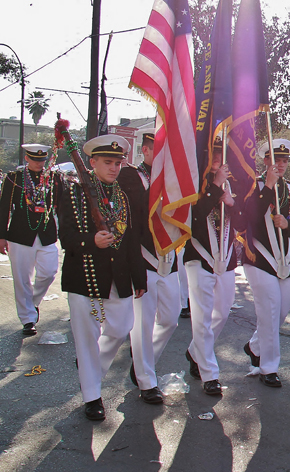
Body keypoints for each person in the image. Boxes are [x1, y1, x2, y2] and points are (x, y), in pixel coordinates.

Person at [58, 135, 147, 421]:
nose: (114, 168)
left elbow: (132, 239)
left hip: (119, 276)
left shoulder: (122, 195)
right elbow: (66, 237)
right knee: (86, 338)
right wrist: (90, 240)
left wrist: (139, 277)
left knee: (121, 328)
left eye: (118, 162)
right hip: (84, 276)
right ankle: (92, 396)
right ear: (92, 162)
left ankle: (90, 368)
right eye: (108, 162)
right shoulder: (74, 193)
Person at [242, 139, 290, 387]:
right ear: (266, 161)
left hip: (286, 259)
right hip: (259, 258)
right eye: (275, 160)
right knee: (270, 314)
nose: (280, 165)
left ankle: (254, 346)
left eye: (283, 161)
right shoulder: (253, 185)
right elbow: (247, 217)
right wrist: (267, 187)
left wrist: (288, 225)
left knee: (281, 313)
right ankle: (268, 368)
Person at [118, 133, 180, 405]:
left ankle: (143, 362)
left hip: (168, 256)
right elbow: (132, 213)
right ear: (145, 150)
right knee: (143, 323)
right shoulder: (130, 176)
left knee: (170, 318)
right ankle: (146, 380)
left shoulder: (173, 179)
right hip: (142, 257)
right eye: (158, 150)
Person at [183, 143, 246, 395]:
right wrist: (213, 189)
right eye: (216, 161)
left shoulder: (233, 187)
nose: (222, 165)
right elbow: (193, 218)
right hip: (199, 256)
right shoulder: (195, 185)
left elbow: (242, 224)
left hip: (227, 259)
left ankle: (194, 351)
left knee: (222, 311)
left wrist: (231, 203)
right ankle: (209, 372)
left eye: (223, 161)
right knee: (202, 317)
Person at [0, 143, 63, 336]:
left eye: (42, 159)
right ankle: (28, 319)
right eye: (35, 159)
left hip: (46, 234)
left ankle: (32, 303)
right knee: (22, 278)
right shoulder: (14, 178)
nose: (39, 163)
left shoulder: (54, 179)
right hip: (20, 234)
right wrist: (2, 236)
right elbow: (4, 208)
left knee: (49, 272)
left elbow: (61, 206)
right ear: (27, 158)